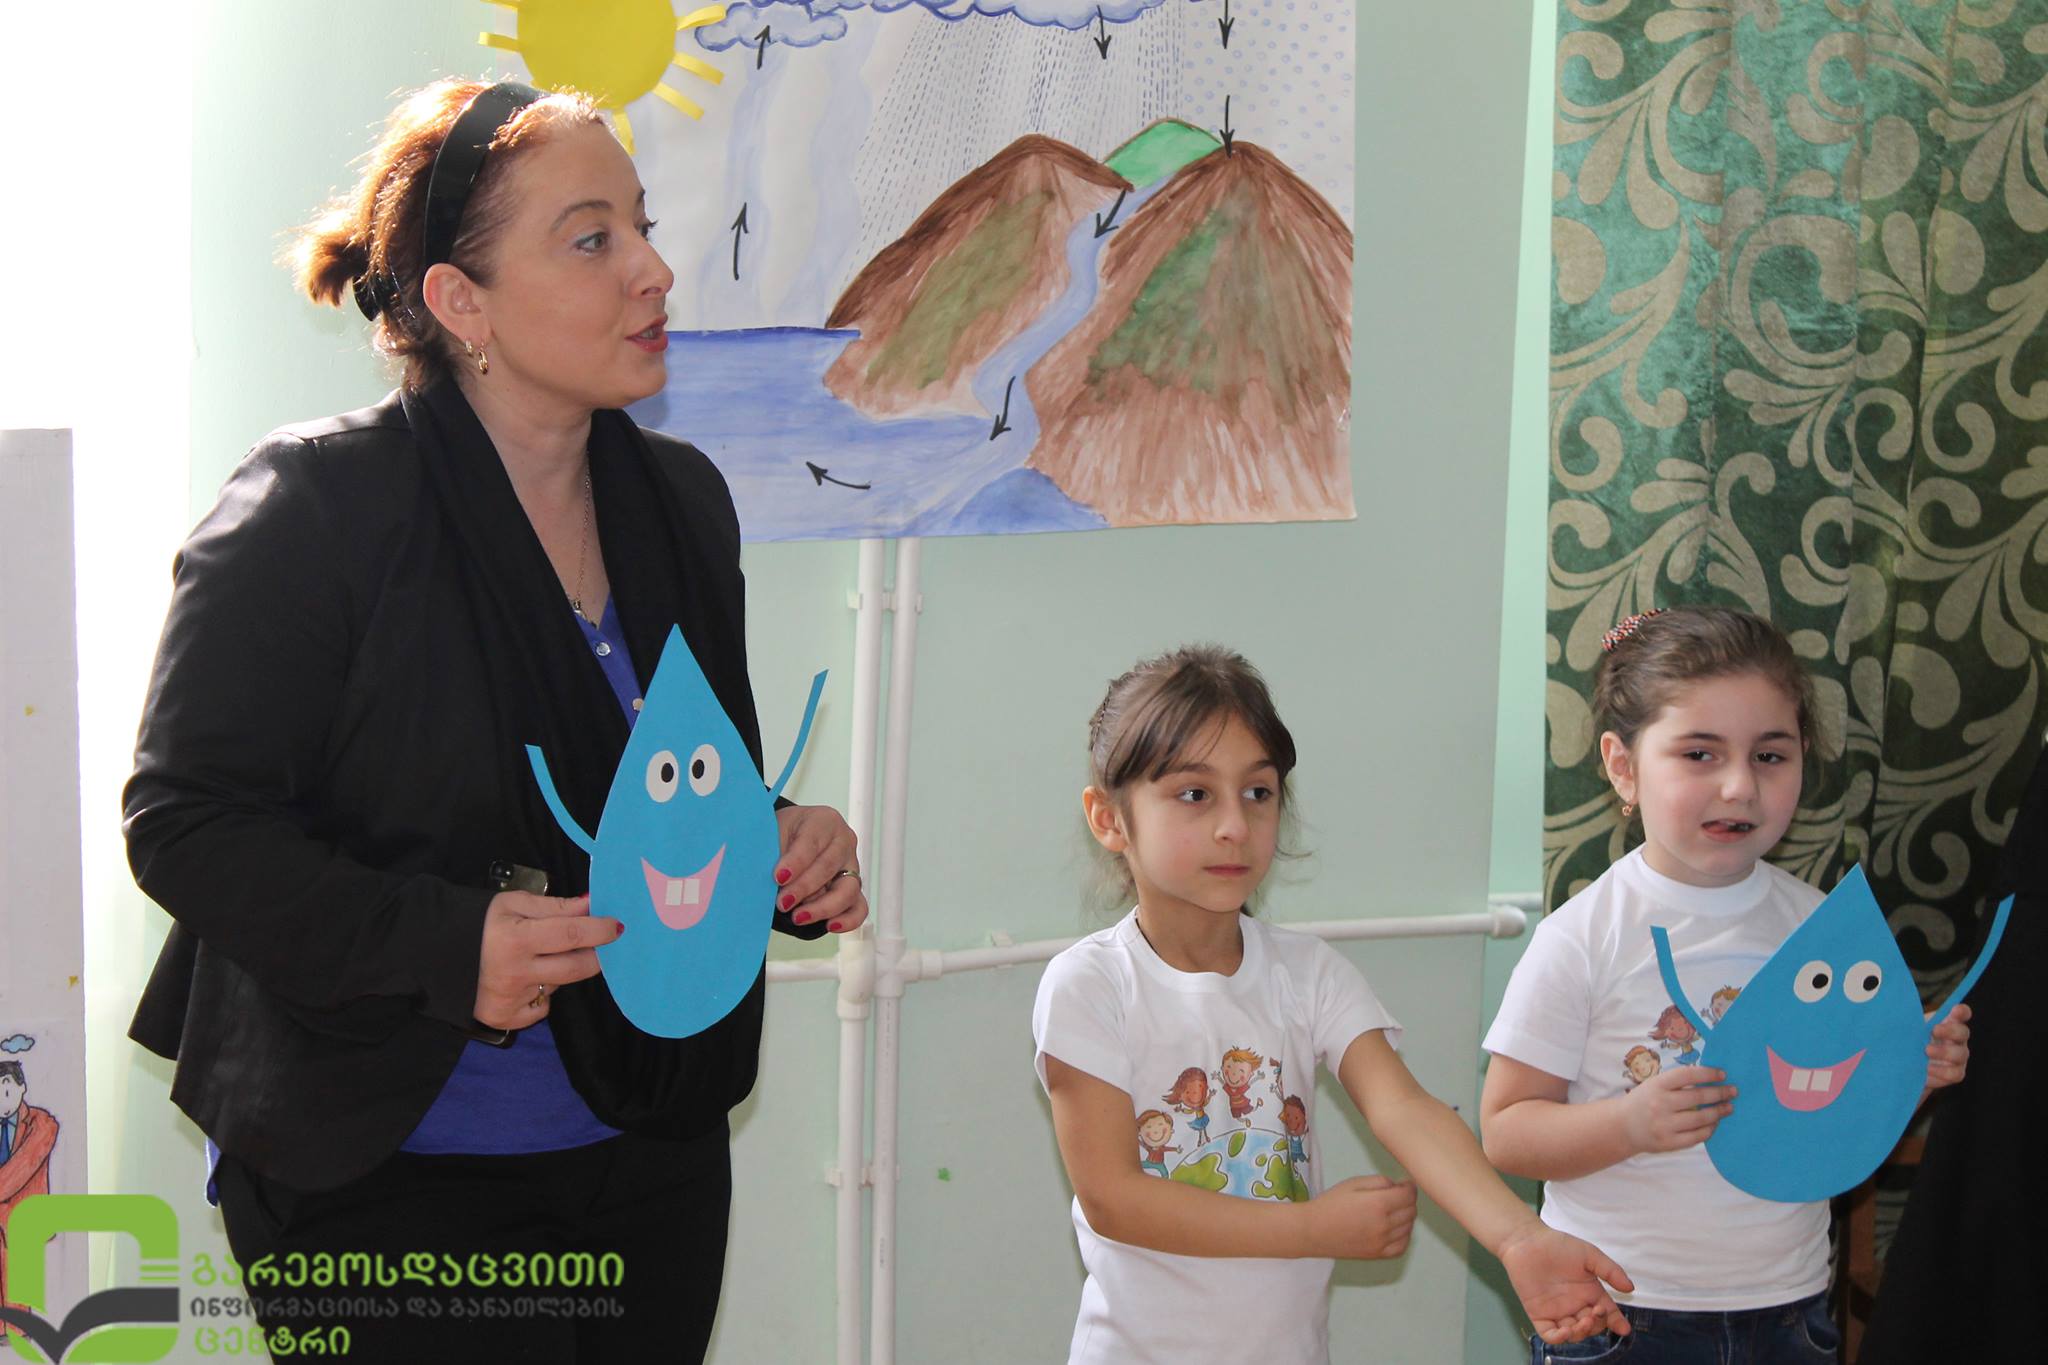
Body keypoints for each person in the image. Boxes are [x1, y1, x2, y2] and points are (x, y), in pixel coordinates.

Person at [122, 78, 866, 1363]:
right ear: (460, 303)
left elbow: (664, 780)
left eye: (641, 227)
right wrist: (445, 941)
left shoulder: (680, 503)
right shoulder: (316, 507)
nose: (652, 271)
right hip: (383, 1170)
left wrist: (778, 839)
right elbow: (185, 823)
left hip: (647, 1145)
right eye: (591, 239)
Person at [1030, 644, 1634, 1365]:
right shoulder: (1090, 984)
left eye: (1258, 792)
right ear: (1109, 818)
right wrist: (1312, 1229)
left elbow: (1403, 1108)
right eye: (1194, 794)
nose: (1234, 825)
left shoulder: (1306, 971)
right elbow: (1114, 1199)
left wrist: (1519, 1237)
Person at [1480, 606, 1972, 1364]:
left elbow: (1833, 1118)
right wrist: (1628, 1125)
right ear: (1623, 765)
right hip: (1619, 1314)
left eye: (1770, 755)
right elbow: (1507, 1130)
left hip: (1789, 1311)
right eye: (1700, 753)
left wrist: (1912, 1075)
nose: (1740, 786)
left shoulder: (1823, 934)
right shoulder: (1583, 936)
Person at [0, 1059, 60, 1344]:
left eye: (6, 1090)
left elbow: (23, 1167)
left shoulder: (42, 1123)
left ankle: (18, 1331)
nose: (2, 1100)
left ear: (22, 1087)